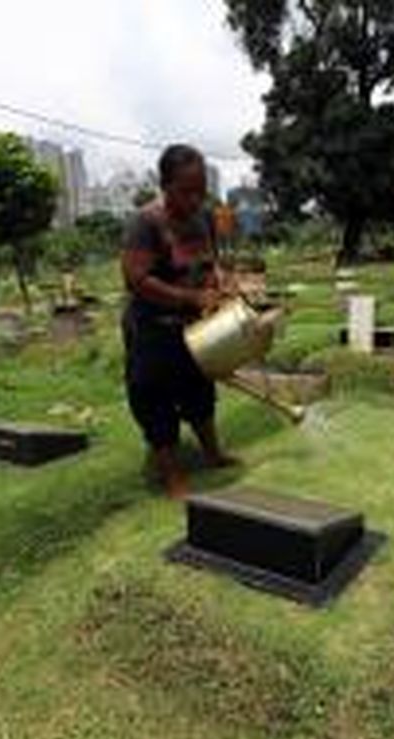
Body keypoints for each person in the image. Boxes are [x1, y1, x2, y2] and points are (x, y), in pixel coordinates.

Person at [121, 145, 237, 499]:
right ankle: (173, 476)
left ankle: (213, 454)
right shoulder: (146, 222)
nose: (195, 198)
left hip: (193, 328)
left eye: (200, 189)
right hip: (152, 329)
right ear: (165, 185)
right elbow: (136, 280)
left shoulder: (203, 218)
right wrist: (191, 297)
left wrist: (220, 283)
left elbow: (211, 262)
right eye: (187, 191)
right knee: (154, 401)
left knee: (199, 389)